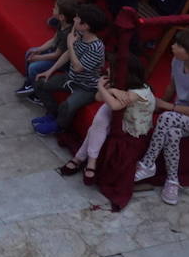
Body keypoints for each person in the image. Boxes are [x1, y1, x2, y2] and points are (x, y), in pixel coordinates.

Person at [134, 30, 189, 206]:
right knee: (172, 133)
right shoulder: (177, 62)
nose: (173, 46)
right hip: (181, 115)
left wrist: (167, 107)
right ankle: (173, 181)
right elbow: (171, 87)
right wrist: (159, 105)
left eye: (179, 45)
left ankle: (147, 163)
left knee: (168, 118)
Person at [60, 55, 155, 184]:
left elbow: (115, 106)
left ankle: (80, 158)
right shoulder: (120, 82)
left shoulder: (139, 91)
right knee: (101, 116)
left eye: (111, 67)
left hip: (133, 126)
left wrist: (104, 88)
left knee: (103, 114)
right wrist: (109, 89)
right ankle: (89, 162)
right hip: (122, 116)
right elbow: (99, 97)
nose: (107, 69)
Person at [32, 3, 108, 135]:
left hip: (86, 87)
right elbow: (67, 54)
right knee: (40, 83)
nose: (74, 19)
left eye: (77, 18)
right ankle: (52, 113)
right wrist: (50, 71)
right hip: (71, 78)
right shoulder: (78, 33)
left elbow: (78, 67)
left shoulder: (96, 47)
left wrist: (71, 45)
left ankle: (59, 126)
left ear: (86, 26)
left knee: (67, 106)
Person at [17, 0, 77, 96]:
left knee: (33, 67)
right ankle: (29, 81)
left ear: (62, 17)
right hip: (54, 53)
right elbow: (53, 40)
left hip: (61, 62)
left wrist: (38, 57)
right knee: (31, 51)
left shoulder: (68, 33)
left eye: (55, 8)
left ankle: (36, 93)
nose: (52, 9)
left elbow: (57, 55)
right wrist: (39, 50)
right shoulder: (61, 24)